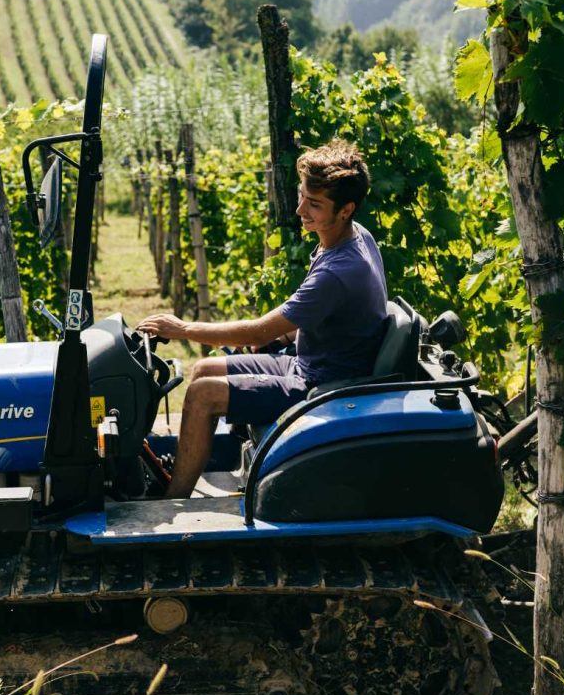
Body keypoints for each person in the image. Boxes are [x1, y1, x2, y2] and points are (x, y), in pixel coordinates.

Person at [136, 139, 389, 498]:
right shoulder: (351, 236)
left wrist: (182, 329)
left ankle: (172, 501)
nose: (301, 209)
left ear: (346, 209)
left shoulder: (339, 270)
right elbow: (328, 315)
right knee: (203, 370)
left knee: (202, 394)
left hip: (322, 383)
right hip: (307, 361)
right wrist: (286, 338)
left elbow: (258, 329)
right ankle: (203, 463)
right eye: (302, 195)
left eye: (314, 204)